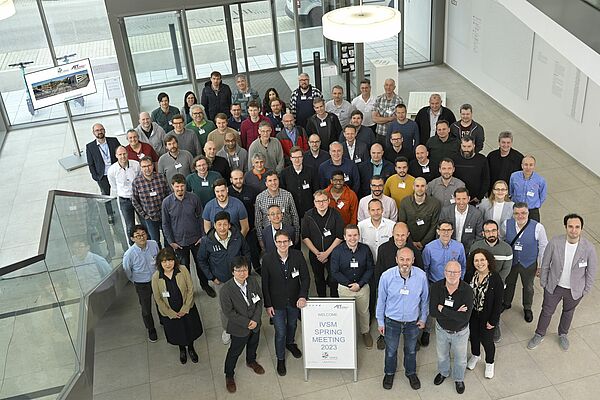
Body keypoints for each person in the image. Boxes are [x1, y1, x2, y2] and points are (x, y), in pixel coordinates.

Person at [527, 214, 598, 351]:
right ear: (565, 227)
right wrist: (544, 283)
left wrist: (585, 290)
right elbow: (546, 263)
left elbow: (591, 271)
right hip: (554, 287)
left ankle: (563, 334)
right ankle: (539, 334)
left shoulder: (588, 248)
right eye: (570, 227)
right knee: (547, 311)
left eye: (577, 227)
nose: (574, 230)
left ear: (581, 229)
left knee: (568, 312)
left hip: (575, 290)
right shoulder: (555, 243)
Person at [377, 247, 429, 390]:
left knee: (411, 350)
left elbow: (425, 300)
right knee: (391, 350)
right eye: (402, 259)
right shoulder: (386, 276)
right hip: (391, 321)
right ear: (396, 260)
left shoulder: (421, 276)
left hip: (412, 322)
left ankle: (411, 373)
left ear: (413, 260)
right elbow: (381, 300)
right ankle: (389, 373)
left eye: (408, 259)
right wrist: (380, 321)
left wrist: (423, 318)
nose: (404, 263)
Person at [261, 230, 310, 376]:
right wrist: (268, 305)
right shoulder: (268, 259)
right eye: (279, 242)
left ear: (290, 242)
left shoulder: (298, 255)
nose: (282, 244)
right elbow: (265, 284)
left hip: (295, 300)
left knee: (293, 325)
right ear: (275, 243)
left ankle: (290, 343)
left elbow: (306, 278)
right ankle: (280, 358)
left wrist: (302, 296)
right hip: (276, 303)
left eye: (285, 241)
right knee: (280, 331)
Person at [198, 211, 251, 345]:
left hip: (240, 278)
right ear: (214, 225)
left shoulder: (237, 236)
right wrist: (211, 277)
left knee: (243, 304)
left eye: (225, 224)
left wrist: (246, 271)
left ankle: (243, 325)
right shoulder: (207, 241)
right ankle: (227, 329)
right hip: (220, 280)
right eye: (219, 224)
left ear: (229, 225)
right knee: (224, 308)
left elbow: (246, 252)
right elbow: (201, 260)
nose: (222, 227)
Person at [161, 173, 216, 298]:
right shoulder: (166, 203)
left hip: (196, 240)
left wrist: (202, 236)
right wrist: (171, 242)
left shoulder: (193, 198)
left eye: (182, 186)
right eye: (177, 187)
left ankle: (205, 285)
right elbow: (165, 224)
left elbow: (202, 218)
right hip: (179, 242)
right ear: (172, 187)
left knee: (201, 264)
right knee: (183, 268)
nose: (180, 189)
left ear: (185, 186)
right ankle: (186, 289)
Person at [151, 247, 204, 364]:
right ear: (160, 263)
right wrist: (170, 313)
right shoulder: (156, 277)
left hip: (186, 308)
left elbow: (190, 289)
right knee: (177, 332)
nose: (168, 264)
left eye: (170, 260)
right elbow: (158, 298)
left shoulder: (182, 270)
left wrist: (185, 308)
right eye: (164, 261)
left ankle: (190, 348)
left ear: (174, 260)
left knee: (190, 330)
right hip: (170, 311)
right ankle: (182, 350)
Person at [220, 257, 265, 393]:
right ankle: (229, 375)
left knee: (253, 344)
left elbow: (259, 300)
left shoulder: (252, 281)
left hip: (255, 324)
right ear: (232, 272)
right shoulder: (226, 290)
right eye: (238, 270)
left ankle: (251, 361)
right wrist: (247, 323)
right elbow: (229, 312)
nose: (242, 273)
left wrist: (256, 319)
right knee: (234, 352)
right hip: (239, 328)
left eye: (244, 269)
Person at [429, 261, 473, 394]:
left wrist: (443, 309)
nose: (452, 275)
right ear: (444, 272)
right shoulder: (436, 287)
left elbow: (465, 317)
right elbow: (433, 312)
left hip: (460, 332)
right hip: (441, 330)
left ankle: (458, 379)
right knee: (442, 356)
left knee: (460, 359)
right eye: (449, 271)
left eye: (456, 272)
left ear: (461, 273)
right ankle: (443, 372)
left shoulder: (467, 290)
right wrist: (456, 312)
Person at [501, 202, 548, 322]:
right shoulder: (506, 224)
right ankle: (506, 302)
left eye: (523, 213)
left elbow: (543, 247)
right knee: (509, 283)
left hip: (529, 263)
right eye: (517, 213)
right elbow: (501, 240)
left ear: (528, 213)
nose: (520, 216)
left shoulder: (538, 227)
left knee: (528, 287)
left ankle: (527, 307)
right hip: (511, 262)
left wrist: (541, 265)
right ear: (513, 214)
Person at [331, 224, 375, 348]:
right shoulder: (337, 251)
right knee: (345, 313)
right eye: (349, 235)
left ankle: (365, 332)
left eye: (355, 235)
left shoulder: (365, 249)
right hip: (345, 288)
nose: (352, 238)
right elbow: (334, 272)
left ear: (359, 236)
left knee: (364, 311)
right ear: (344, 237)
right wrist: (349, 284)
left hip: (362, 287)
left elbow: (370, 268)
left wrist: (360, 284)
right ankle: (346, 334)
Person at [470, 219, 513, 343]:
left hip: (497, 286)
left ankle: (495, 325)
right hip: (478, 284)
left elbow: (506, 270)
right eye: (487, 231)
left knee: (495, 308)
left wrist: (493, 283)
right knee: (476, 306)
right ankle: (475, 328)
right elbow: (472, 266)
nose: (491, 233)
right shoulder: (476, 246)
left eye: (493, 230)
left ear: (498, 232)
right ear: (483, 233)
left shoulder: (507, 249)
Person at [465, 248, 504, 379]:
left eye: (482, 260)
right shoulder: (470, 275)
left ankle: (489, 363)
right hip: (472, 314)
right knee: (474, 337)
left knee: (487, 341)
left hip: (487, 316)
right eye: (476, 260)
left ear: (488, 261)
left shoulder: (495, 279)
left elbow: (498, 303)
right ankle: (475, 355)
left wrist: (493, 321)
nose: (479, 263)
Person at [302, 190, 345, 297]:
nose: (321, 204)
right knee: (318, 278)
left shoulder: (336, 214)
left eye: (324, 201)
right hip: (315, 254)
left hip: (333, 253)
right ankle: (322, 299)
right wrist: (318, 253)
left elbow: (339, 236)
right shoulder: (308, 215)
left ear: (329, 201)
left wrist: (326, 253)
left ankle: (334, 300)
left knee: (333, 278)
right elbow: (305, 237)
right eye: (318, 201)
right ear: (314, 202)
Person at [123, 225, 160, 342]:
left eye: (143, 234)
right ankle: (151, 329)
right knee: (146, 308)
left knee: (161, 301)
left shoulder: (153, 244)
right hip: (142, 284)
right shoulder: (129, 254)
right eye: (137, 236)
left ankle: (164, 321)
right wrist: (135, 280)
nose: (141, 237)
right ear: (132, 238)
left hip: (156, 279)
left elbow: (159, 259)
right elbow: (127, 271)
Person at [132, 156, 170, 245]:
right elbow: (135, 201)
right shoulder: (137, 182)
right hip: (150, 217)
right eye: (144, 167)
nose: (147, 168)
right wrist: (144, 215)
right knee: (154, 241)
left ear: (152, 166)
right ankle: (158, 258)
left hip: (164, 215)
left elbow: (169, 194)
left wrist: (168, 211)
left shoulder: (161, 177)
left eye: (149, 165)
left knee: (168, 238)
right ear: (141, 168)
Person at [254, 171, 300, 246]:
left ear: (278, 180)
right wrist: (260, 239)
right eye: (270, 181)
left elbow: (294, 216)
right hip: (269, 236)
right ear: (266, 183)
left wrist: (296, 234)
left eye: (275, 180)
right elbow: (258, 221)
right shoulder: (260, 198)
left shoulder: (287, 195)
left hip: (287, 235)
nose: (273, 183)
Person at [229, 169, 261, 271]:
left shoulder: (251, 190)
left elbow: (256, 208)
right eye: (235, 179)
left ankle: (257, 268)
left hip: (250, 229)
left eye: (240, 178)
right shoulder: (227, 192)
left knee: (253, 251)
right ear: (231, 180)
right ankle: (245, 272)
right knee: (239, 254)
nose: (238, 181)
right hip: (234, 231)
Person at [107, 146, 140, 243]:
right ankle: (132, 245)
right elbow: (113, 186)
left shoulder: (136, 165)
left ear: (127, 154)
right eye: (120, 154)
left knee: (144, 222)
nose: (123, 156)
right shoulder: (112, 170)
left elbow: (140, 179)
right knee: (130, 225)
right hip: (124, 200)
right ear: (116, 156)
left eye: (124, 154)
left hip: (137, 198)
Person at [398, 177, 441, 251]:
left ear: (426, 187)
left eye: (422, 186)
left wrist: (422, 243)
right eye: (417, 186)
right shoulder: (405, 202)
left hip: (428, 244)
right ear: (413, 187)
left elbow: (434, 226)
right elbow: (402, 224)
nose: (420, 189)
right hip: (408, 242)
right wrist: (411, 242)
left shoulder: (435, 204)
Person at [438, 187, 484, 253]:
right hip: (448, 249)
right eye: (458, 199)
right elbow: (439, 232)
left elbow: (479, 237)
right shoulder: (446, 212)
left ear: (469, 199)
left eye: (464, 199)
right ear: (454, 199)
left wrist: (473, 251)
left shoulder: (477, 214)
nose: (461, 202)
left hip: (469, 251)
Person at [279, 146, 317, 219]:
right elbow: (282, 192)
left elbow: (316, 190)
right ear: (291, 158)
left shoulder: (311, 171)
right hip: (291, 210)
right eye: (294, 157)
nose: (297, 160)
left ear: (302, 157)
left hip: (308, 209)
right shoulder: (284, 173)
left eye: (299, 157)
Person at [86, 123, 120, 200]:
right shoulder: (90, 146)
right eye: (97, 130)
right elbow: (91, 164)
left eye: (101, 129)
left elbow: (121, 154)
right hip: (102, 175)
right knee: (105, 196)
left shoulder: (113, 141)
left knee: (121, 191)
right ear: (93, 133)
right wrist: (96, 177)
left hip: (116, 172)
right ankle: (109, 212)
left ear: (104, 131)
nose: (99, 132)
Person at [452, 135, 490, 204]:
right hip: (458, 199)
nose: (466, 149)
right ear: (461, 145)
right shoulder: (454, 158)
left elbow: (486, 180)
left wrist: (479, 197)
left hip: (476, 199)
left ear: (474, 146)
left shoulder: (482, 159)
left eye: (469, 146)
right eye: (464, 146)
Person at [509, 155, 547, 222]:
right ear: (522, 165)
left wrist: (536, 204)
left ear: (534, 166)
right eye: (526, 165)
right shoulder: (514, 176)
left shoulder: (540, 180)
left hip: (532, 210)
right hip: (517, 209)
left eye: (531, 165)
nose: (528, 167)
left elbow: (543, 195)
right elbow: (511, 190)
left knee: (533, 230)